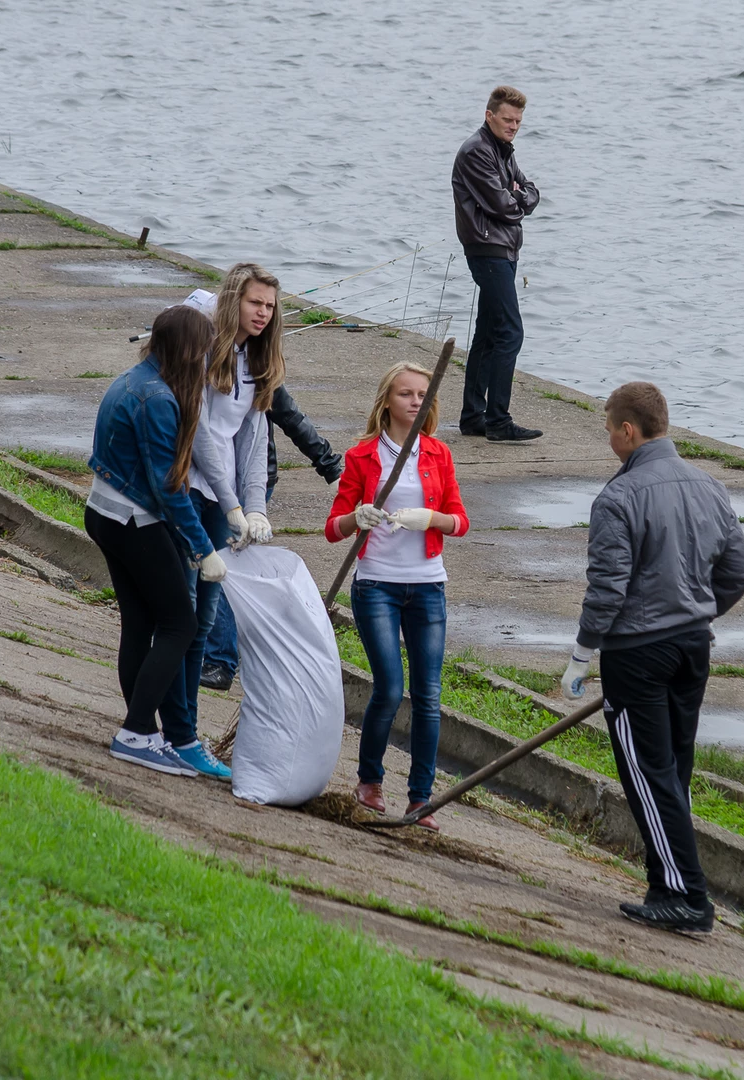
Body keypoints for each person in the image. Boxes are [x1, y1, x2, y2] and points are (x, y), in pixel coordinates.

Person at [561, 382, 744, 934]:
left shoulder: (617, 498)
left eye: (609, 430)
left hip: (637, 654)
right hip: (692, 647)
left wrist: (582, 654)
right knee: (673, 771)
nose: (609, 439)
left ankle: (690, 897)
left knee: (649, 774)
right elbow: (739, 572)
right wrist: (693, 612)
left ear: (628, 431)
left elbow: (607, 590)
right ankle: (664, 885)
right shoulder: (710, 486)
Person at [83, 304, 231, 778]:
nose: (206, 361)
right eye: (204, 351)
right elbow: (168, 487)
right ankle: (134, 733)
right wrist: (203, 549)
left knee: (140, 623)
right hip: (133, 522)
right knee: (180, 625)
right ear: (188, 350)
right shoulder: (159, 399)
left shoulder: (134, 379)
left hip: (103, 512)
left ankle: (145, 732)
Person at [325, 362, 470, 831]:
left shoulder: (438, 454)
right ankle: (369, 782)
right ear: (386, 400)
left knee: (428, 694)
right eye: (406, 393)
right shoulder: (363, 456)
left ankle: (420, 799)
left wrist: (432, 519)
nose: (415, 401)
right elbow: (332, 529)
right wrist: (357, 517)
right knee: (389, 687)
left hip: (428, 586)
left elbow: (461, 522)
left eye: (422, 394)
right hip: (376, 585)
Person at [167, 263, 286, 761]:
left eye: (270, 306)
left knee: (206, 613)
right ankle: (167, 724)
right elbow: (198, 435)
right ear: (233, 299)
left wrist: (254, 508)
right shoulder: (204, 349)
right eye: (255, 302)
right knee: (182, 610)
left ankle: (187, 731)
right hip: (189, 489)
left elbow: (251, 443)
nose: (263, 313)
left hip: (223, 502)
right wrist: (233, 503)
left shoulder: (257, 358)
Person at [199, 385, 343, 691]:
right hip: (205, 476)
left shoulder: (257, 371)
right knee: (206, 561)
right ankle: (207, 647)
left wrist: (329, 465)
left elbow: (290, 416)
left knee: (223, 564)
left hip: (248, 481)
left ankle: (220, 660)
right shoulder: (204, 367)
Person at [453, 84, 542, 442]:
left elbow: (531, 191)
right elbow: (504, 205)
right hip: (487, 249)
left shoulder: (502, 150)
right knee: (510, 332)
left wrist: (519, 196)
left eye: (518, 121)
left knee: (489, 332)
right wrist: (517, 198)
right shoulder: (477, 151)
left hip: (502, 249)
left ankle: (473, 416)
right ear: (489, 116)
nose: (513, 126)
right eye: (507, 120)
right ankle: (498, 420)